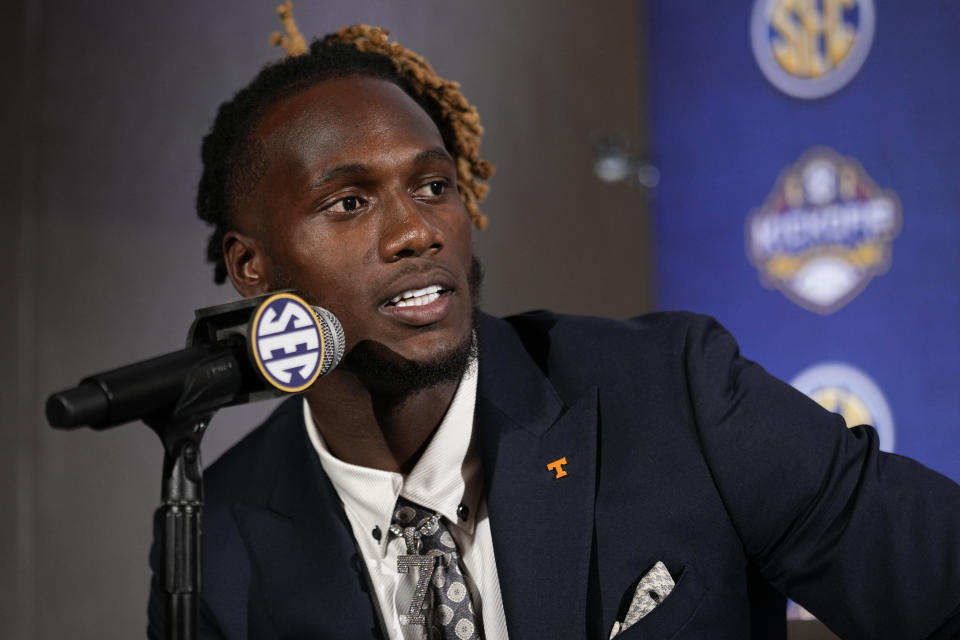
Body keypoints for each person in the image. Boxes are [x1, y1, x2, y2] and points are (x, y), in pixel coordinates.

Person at [148, 11, 960, 640]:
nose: (417, 231)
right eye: (350, 202)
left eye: (433, 187)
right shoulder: (216, 535)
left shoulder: (675, 394)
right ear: (251, 267)